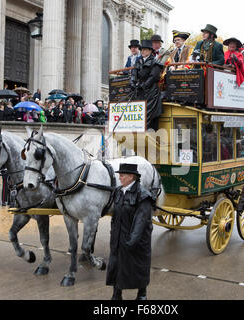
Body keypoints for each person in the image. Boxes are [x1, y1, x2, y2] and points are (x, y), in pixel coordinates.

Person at [106, 163, 155, 300]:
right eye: (119, 174)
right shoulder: (118, 191)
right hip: (118, 236)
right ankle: (117, 294)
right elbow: (115, 216)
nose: (119, 177)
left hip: (137, 240)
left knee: (139, 266)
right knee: (117, 264)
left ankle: (142, 293)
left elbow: (141, 221)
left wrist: (132, 240)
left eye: (122, 175)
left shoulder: (143, 195)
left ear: (131, 176)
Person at [130, 39, 164, 131]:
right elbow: (134, 73)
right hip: (140, 91)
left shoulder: (155, 62)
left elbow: (154, 77)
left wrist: (144, 85)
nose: (143, 51)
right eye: (142, 49)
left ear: (150, 51)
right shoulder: (139, 61)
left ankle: (146, 134)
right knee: (139, 112)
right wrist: (132, 83)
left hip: (151, 92)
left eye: (145, 49)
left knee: (148, 113)